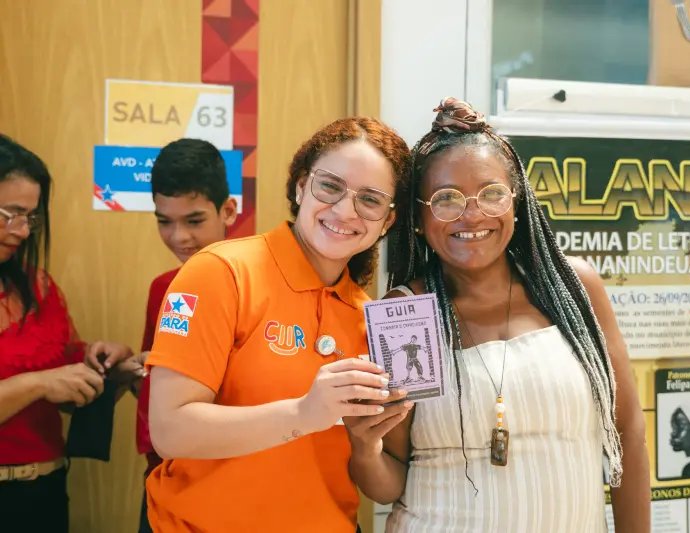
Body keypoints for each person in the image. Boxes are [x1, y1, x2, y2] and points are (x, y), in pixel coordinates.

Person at [345, 99, 651, 532]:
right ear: (418, 218)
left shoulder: (575, 288)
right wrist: (363, 447)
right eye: (446, 199)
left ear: (516, 201)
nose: (472, 215)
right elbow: (389, 483)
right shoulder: (405, 313)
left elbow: (628, 431)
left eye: (491, 194)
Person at [144, 117, 413, 532]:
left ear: (387, 221)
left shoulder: (371, 319)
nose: (345, 210)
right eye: (330, 186)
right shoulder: (221, 272)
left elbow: (387, 487)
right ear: (302, 186)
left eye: (371, 200)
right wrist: (305, 412)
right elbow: (169, 430)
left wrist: (365, 445)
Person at [0, 135, 135, 532]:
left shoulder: (37, 286)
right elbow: (45, 382)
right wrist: (39, 383)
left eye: (32, 217)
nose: (24, 231)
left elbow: (65, 391)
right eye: (10, 214)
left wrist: (104, 367)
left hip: (45, 493)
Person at [134, 138, 238, 533]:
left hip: (228, 484)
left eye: (194, 221)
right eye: (164, 221)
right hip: (162, 478)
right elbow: (154, 391)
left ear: (227, 210)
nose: (178, 237)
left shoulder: (256, 284)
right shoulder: (163, 288)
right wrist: (138, 367)